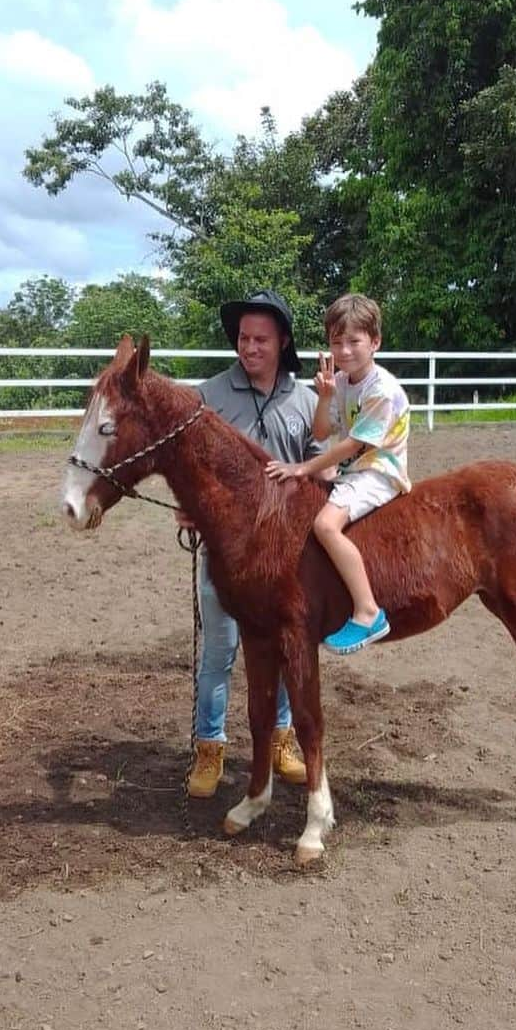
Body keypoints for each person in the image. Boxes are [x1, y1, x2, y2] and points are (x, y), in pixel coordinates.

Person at [180, 289, 325, 799]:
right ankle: (209, 749)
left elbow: (323, 466)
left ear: (282, 341)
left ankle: (283, 742)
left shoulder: (307, 401)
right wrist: (189, 507)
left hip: (284, 563)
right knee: (219, 651)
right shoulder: (207, 397)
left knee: (286, 651)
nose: (250, 347)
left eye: (261, 338)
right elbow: (187, 467)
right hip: (225, 558)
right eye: (243, 338)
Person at [266, 292, 410, 654]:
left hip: (377, 470)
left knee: (325, 525)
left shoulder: (383, 390)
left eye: (354, 341)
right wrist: (327, 396)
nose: (344, 351)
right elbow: (319, 433)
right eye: (336, 342)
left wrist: (302, 467)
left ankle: (367, 611)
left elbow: (352, 446)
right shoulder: (343, 382)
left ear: (375, 342)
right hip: (351, 470)